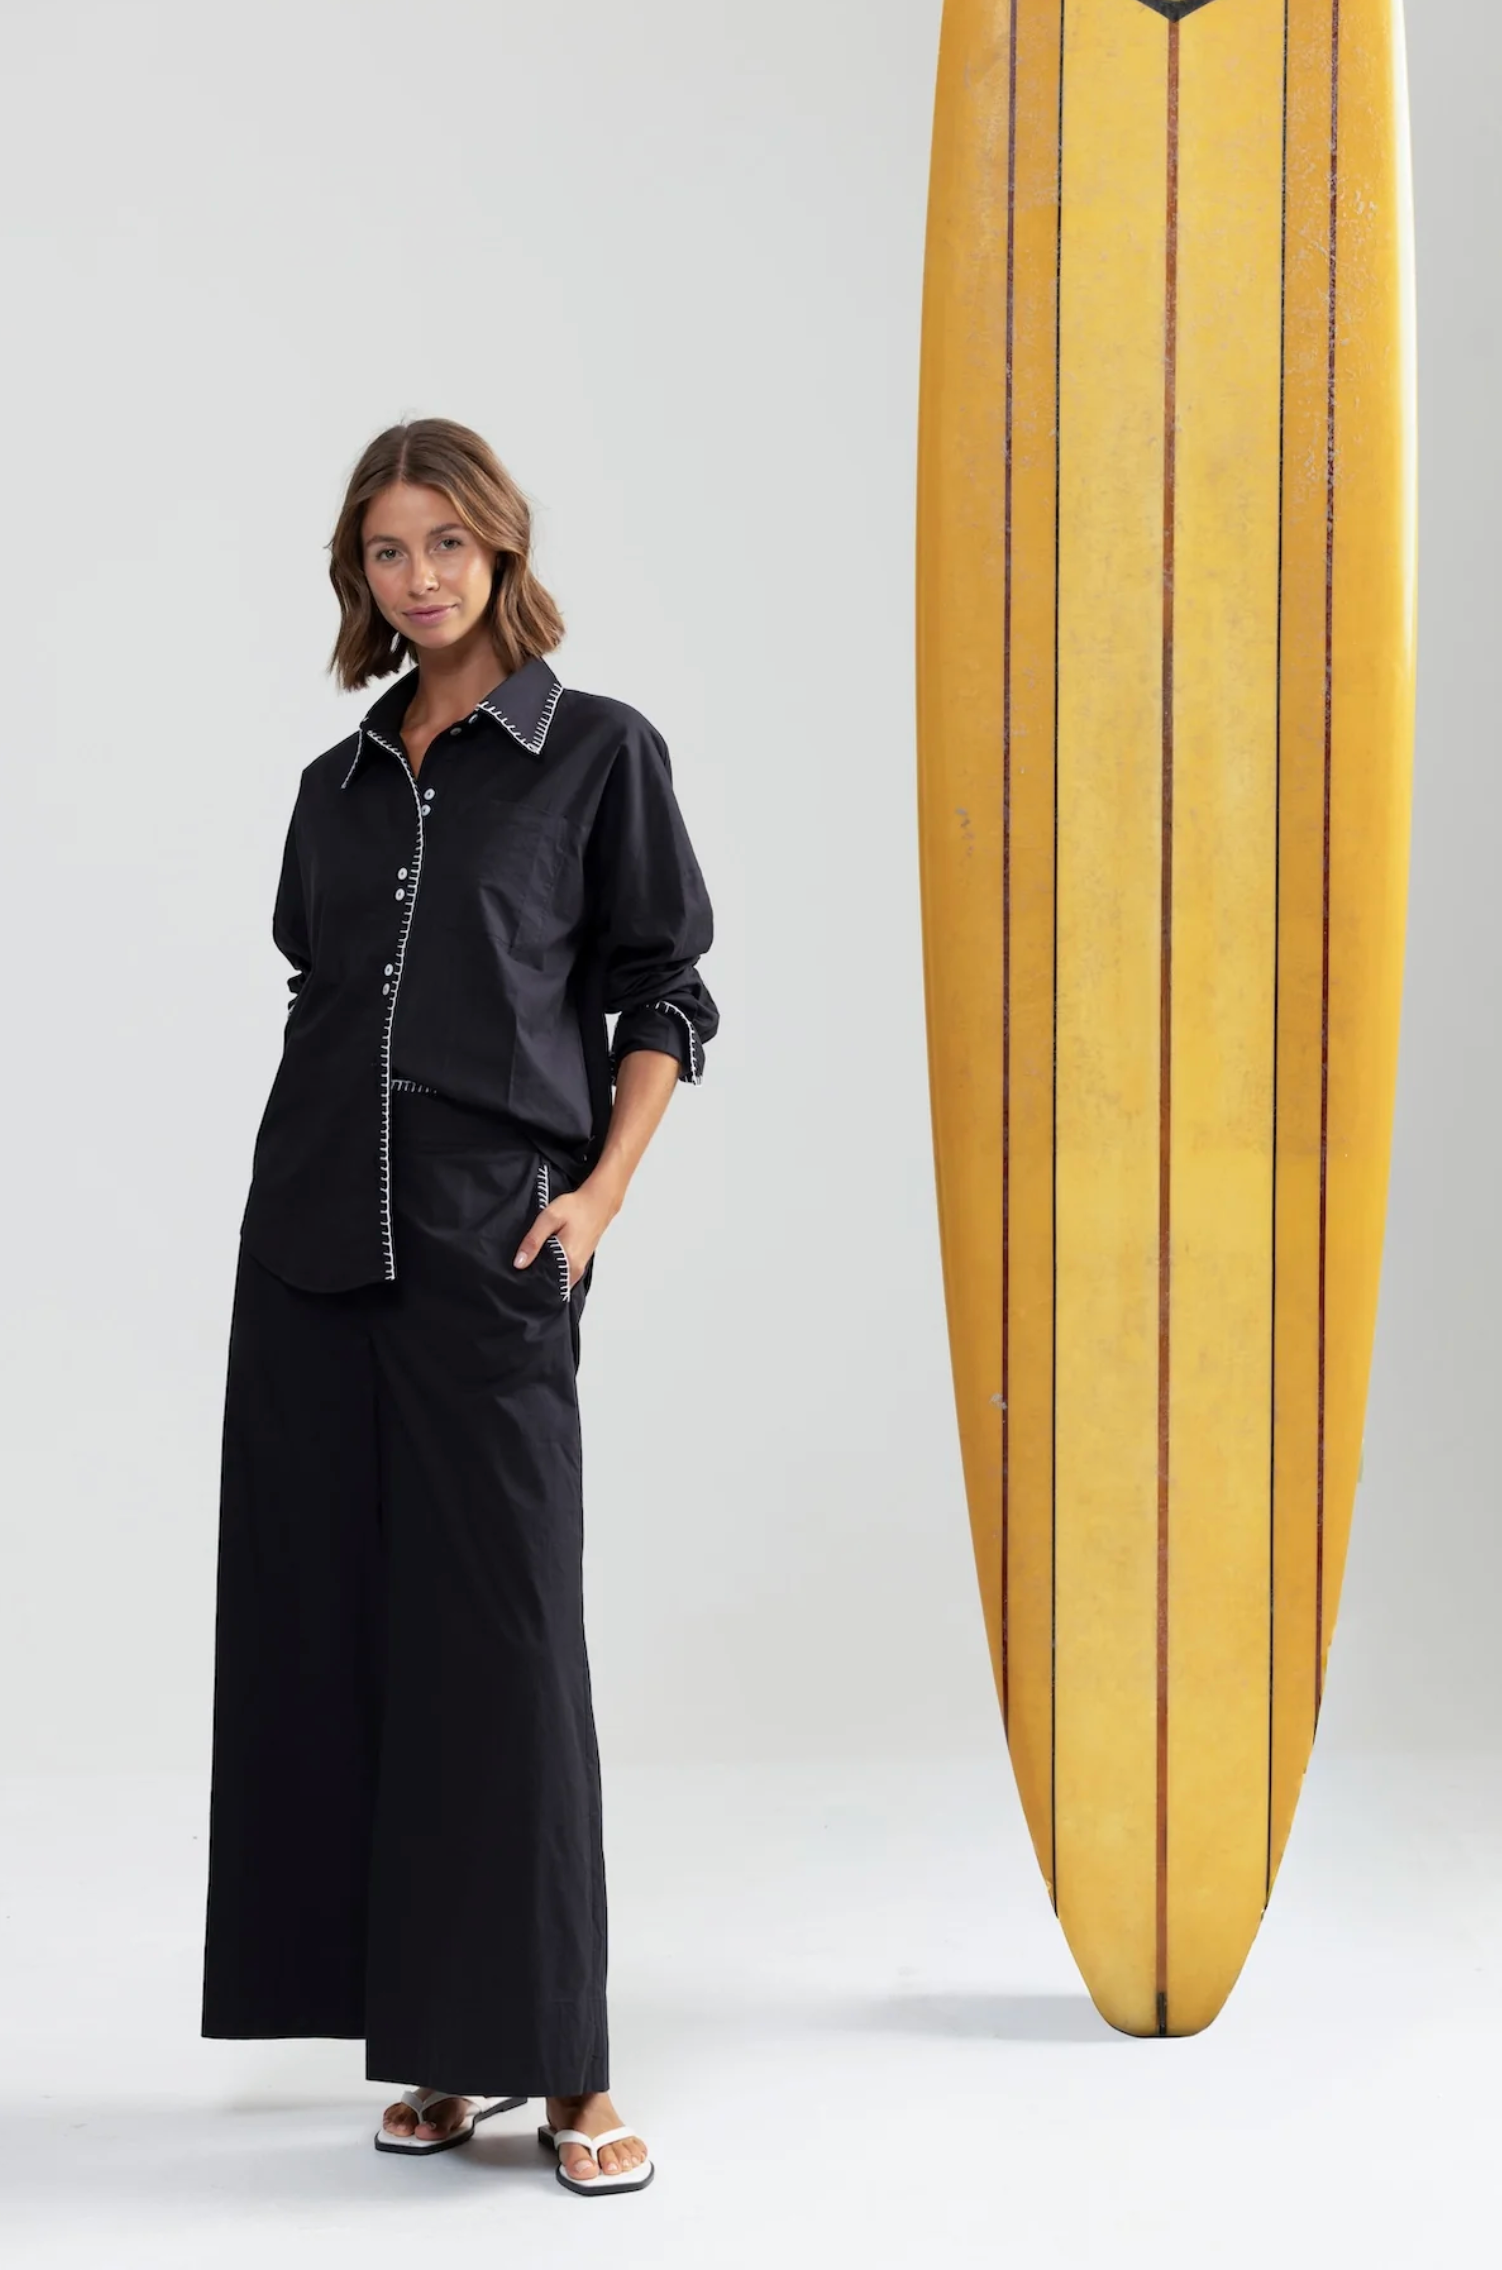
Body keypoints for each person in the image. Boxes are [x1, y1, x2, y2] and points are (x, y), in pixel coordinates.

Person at [199, 416, 719, 2197]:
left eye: (442, 541)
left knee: (504, 1645)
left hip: (496, 1242)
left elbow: (665, 992)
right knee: (350, 1634)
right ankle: (432, 2044)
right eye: (383, 549)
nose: (415, 576)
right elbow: (316, 988)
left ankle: (564, 2064)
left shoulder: (597, 755)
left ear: (501, 546)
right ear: (356, 573)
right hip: (309, 1246)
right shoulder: (336, 785)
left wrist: (597, 1196)